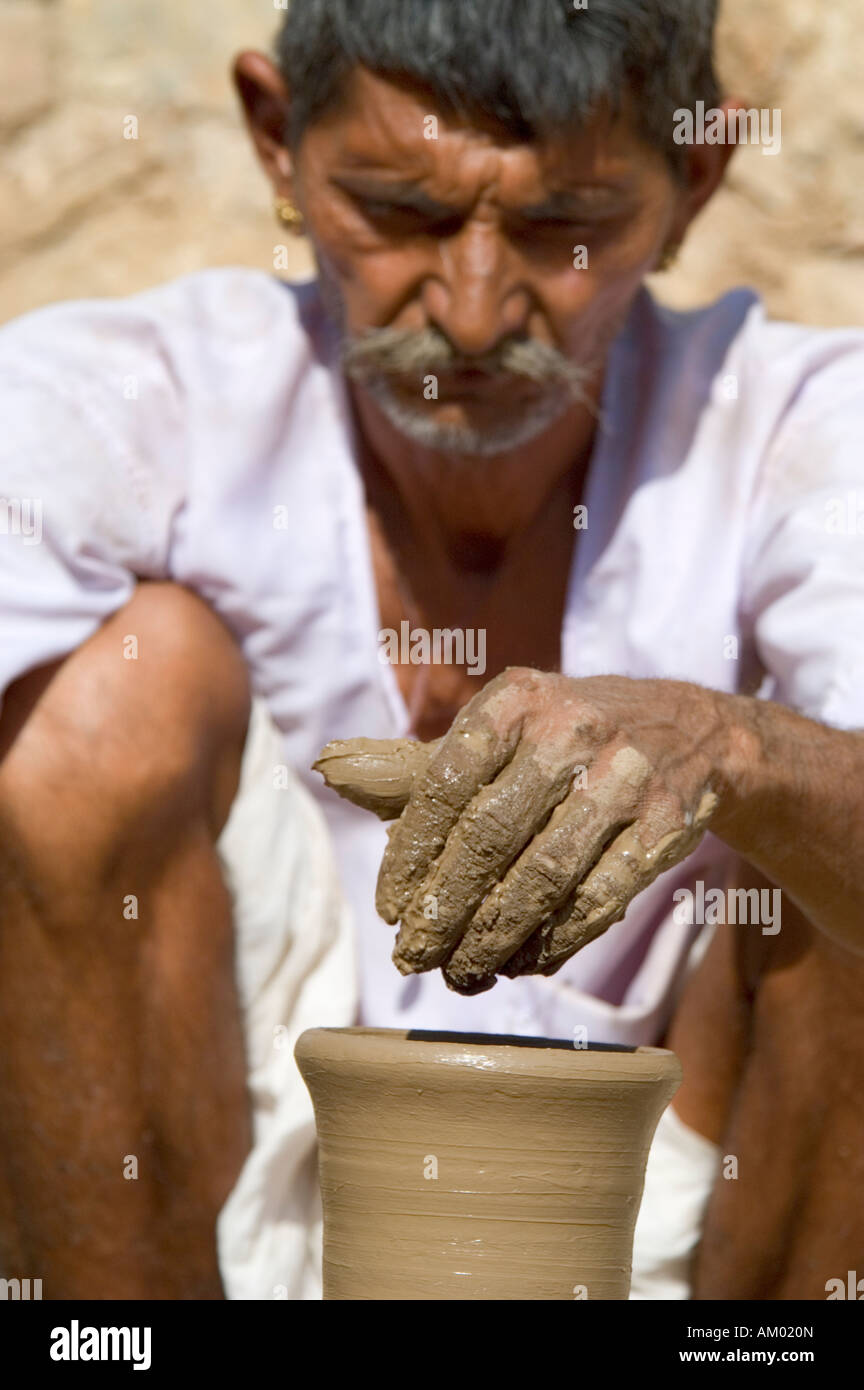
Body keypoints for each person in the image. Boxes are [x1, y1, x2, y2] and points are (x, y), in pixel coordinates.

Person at [1, 0, 862, 1300]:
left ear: (694, 181)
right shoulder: (122, 399)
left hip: (677, 1230)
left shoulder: (796, 430)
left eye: (562, 225)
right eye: (399, 213)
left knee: (826, 821)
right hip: (232, 1219)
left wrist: (733, 747)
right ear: (277, 138)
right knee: (99, 713)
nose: (470, 314)